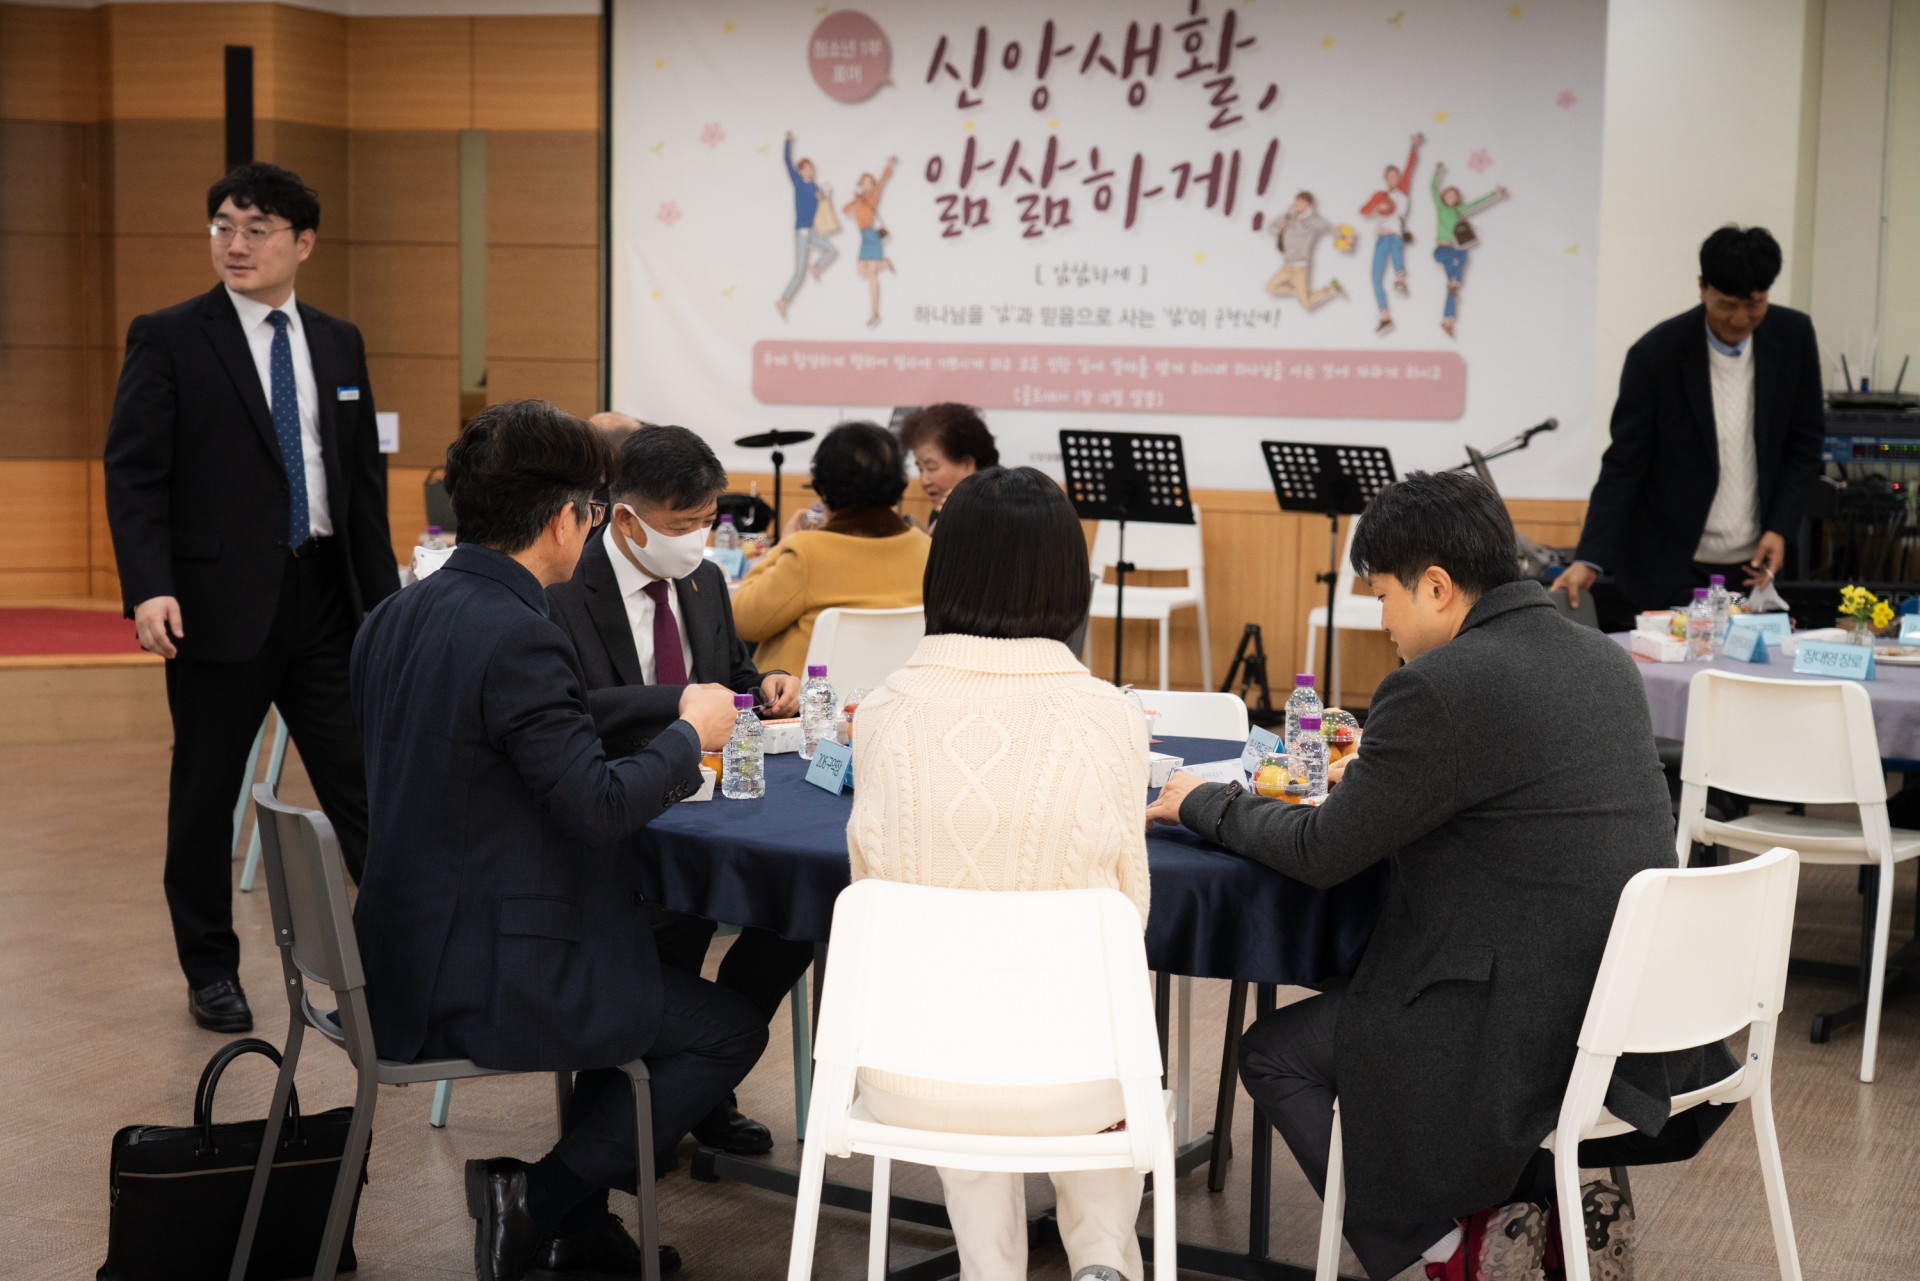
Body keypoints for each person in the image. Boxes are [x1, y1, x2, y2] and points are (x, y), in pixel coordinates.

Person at [1146, 471, 1734, 1281]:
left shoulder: (1439, 687)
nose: (1383, 619)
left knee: (1274, 1053)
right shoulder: (1601, 658)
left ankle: (1444, 1254)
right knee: (1374, 977)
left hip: (1523, 1031)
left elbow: (1320, 851)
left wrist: (1200, 801)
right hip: (1634, 1013)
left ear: (1435, 585)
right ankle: (1524, 1219)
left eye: (1383, 595)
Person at [351, 400, 763, 1281]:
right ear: (565, 518)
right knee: (725, 1031)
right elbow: (599, 808)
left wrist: (665, 709)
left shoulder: (397, 613)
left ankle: (574, 1223)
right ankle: (542, 1198)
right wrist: (688, 738)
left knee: (652, 959)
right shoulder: (519, 634)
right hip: (491, 966)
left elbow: (514, 731)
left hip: (399, 948)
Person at [104, 162, 397, 1034]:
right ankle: (210, 969)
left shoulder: (339, 341)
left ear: (303, 243)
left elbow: (361, 484)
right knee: (204, 795)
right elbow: (134, 473)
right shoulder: (169, 337)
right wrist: (148, 586)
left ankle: (401, 957)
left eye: (257, 229)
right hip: (215, 604)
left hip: (327, 597)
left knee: (367, 789)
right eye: (223, 226)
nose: (236, 243)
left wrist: (385, 611)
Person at [848, 466, 1150, 1281]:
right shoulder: (1113, 719)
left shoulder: (881, 714)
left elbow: (873, 888)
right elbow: (1129, 914)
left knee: (948, 998)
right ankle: (1103, 1261)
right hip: (1073, 1084)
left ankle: (991, 1270)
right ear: (1068, 579)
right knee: (1104, 1003)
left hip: (911, 1074)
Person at [547, 423, 813, 1159]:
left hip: (716, 802)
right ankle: (638, 1111)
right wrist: (679, 705)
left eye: (707, 519)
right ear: (625, 518)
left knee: (796, 916)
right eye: (680, 524)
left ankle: (697, 1084)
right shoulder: (564, 587)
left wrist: (769, 685)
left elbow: (732, 673)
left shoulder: (703, 579)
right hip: (620, 808)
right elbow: (567, 707)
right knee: (672, 925)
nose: (697, 538)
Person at [1557, 226, 1825, 623]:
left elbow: (1804, 444)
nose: (1739, 319)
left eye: (1754, 305)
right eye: (1726, 304)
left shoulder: (1793, 338)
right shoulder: (1655, 355)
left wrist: (1780, 528)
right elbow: (1624, 463)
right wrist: (1589, 558)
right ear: (1702, 288)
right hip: (1671, 563)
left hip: (1754, 564)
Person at [731, 421, 931, 675]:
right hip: (894, 690)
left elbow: (744, 621)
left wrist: (781, 546)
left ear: (822, 487)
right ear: (901, 484)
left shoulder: (808, 552)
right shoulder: (925, 547)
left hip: (807, 696)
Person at [1428, 161, 1508, 336]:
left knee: (1452, 284)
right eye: (1448, 195)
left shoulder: (1460, 210)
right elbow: (1432, 189)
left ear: (1457, 199)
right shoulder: (1441, 208)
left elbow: (1477, 203)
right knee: (1461, 255)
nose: (1450, 197)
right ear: (1444, 197)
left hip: (1453, 252)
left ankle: (1447, 319)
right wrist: (1437, 172)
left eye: (1453, 195)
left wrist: (1494, 194)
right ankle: (1456, 282)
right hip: (1441, 251)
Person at [1359, 133, 1423, 334]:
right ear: (1386, 179)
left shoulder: (1402, 190)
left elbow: (1410, 167)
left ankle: (1400, 279)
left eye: (1396, 176)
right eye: (1390, 177)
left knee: (1396, 249)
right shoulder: (1380, 195)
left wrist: (1413, 147)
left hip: (1395, 235)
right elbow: (1363, 210)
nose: (1393, 179)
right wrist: (1376, 207)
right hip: (1381, 237)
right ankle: (1384, 317)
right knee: (1374, 278)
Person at [898, 402, 999, 526]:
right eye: (920, 469)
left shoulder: (1003, 509)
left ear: (967, 464)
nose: (924, 481)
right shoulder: (941, 511)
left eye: (931, 467)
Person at [775, 132, 839, 319]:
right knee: (799, 273)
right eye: (807, 168)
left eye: (812, 168)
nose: (811, 170)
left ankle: (816, 267)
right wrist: (788, 141)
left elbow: (824, 200)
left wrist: (823, 196)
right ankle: (783, 301)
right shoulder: (798, 183)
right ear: (801, 171)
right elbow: (787, 161)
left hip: (812, 232)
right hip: (802, 233)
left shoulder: (815, 187)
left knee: (831, 250)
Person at [1265, 190, 1344, 310]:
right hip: (1287, 264)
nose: (1298, 204)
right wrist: (1281, 230)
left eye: (1302, 202)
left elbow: (1328, 226)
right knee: (1270, 288)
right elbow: (1271, 227)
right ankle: (1297, 289)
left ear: (1308, 205)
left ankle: (1330, 288)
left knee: (1305, 303)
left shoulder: (1313, 220)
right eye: (1297, 200)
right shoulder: (1288, 216)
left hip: (1300, 266)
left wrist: (1342, 236)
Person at [842, 158, 897, 327]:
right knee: (861, 271)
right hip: (864, 239)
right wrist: (855, 204)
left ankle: (874, 312)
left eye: (870, 183)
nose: (868, 185)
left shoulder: (873, 196)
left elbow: (882, 181)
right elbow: (845, 210)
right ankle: (885, 263)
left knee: (872, 274)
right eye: (865, 183)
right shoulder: (858, 200)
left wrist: (889, 165)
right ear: (861, 185)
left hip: (872, 236)